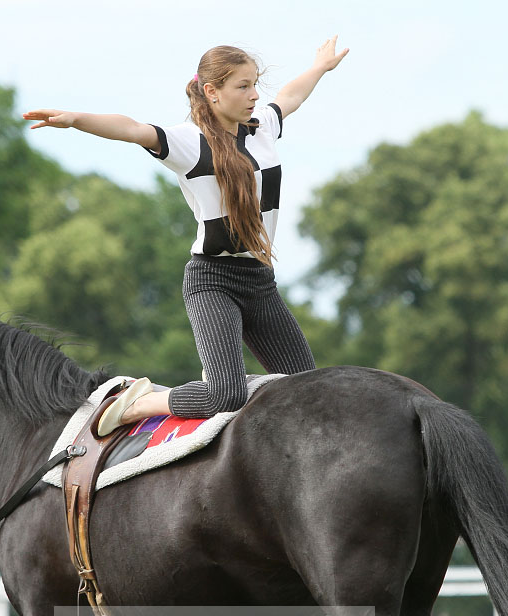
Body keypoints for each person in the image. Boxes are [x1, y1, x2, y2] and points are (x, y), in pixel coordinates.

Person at [23, 37, 349, 435]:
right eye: (243, 86)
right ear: (212, 92)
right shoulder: (185, 141)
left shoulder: (263, 125)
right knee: (224, 395)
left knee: (307, 389)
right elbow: (129, 128)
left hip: (260, 281)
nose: (253, 94)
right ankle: (135, 403)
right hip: (212, 281)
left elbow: (289, 97)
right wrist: (75, 118)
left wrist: (319, 67)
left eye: (254, 83)